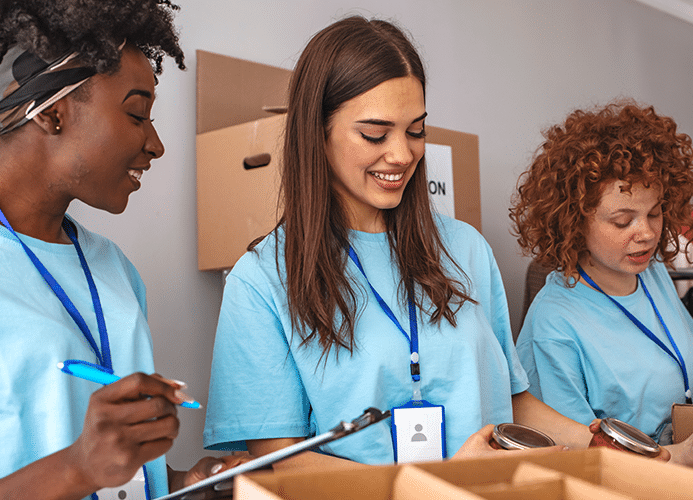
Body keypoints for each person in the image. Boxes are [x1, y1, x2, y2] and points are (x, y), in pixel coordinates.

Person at [203, 16, 600, 468]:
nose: (402, 154)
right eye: (375, 134)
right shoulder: (262, 279)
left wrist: (645, 454)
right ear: (317, 132)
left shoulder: (466, 249)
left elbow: (515, 402)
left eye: (416, 131)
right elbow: (281, 461)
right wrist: (439, 486)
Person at [0, 1, 246, 498]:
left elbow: (121, 477)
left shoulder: (114, 269)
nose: (157, 144)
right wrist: (78, 469)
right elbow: (85, 469)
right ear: (53, 114)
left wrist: (187, 484)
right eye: (137, 114)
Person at [511, 100, 693, 470]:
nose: (647, 234)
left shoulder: (651, 274)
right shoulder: (554, 323)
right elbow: (583, 456)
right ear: (574, 220)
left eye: (654, 213)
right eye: (623, 221)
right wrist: (682, 456)